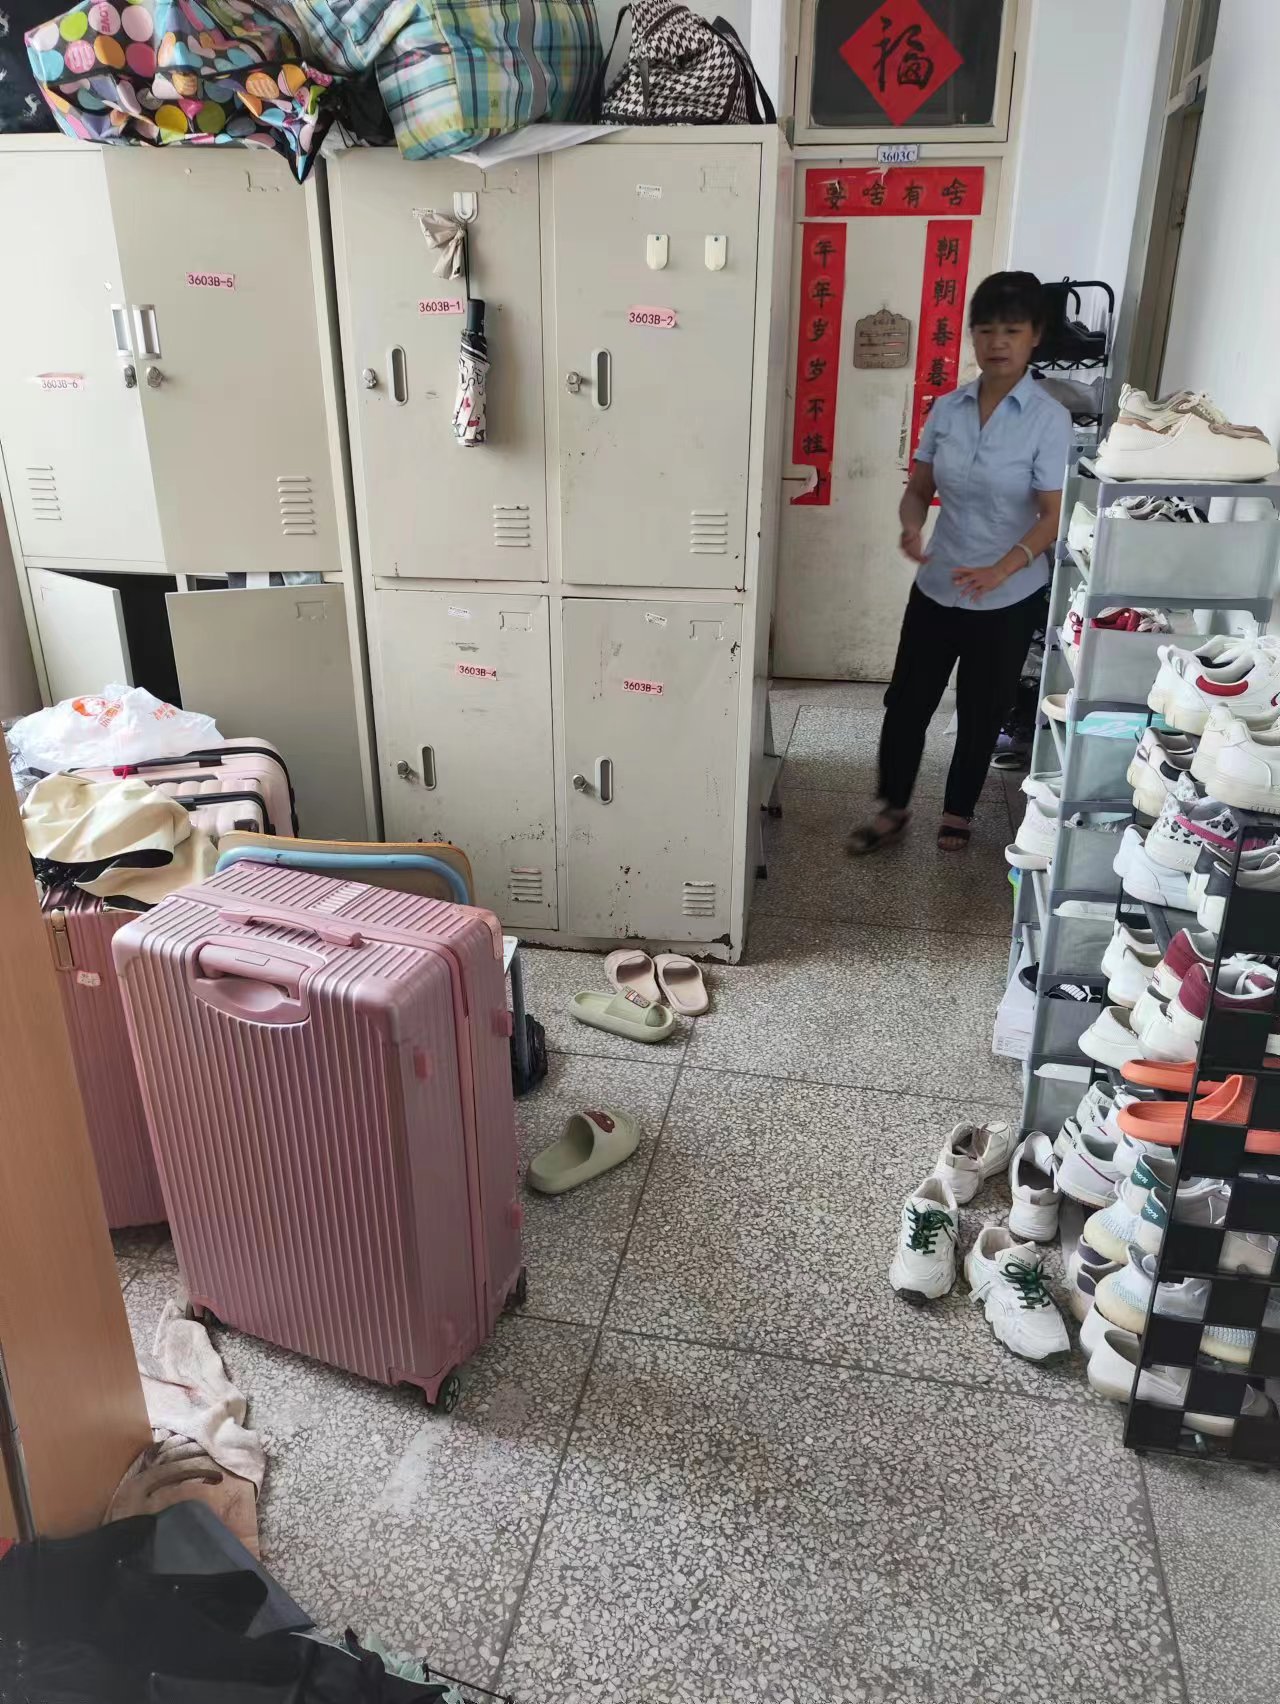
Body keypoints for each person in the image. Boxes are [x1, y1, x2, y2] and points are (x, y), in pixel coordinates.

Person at [849, 270, 1073, 855]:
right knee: (907, 702)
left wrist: (1003, 568)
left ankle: (958, 811)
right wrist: (910, 524)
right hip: (939, 582)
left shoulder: (1049, 419)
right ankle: (892, 808)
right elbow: (919, 488)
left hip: (1006, 594)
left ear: (1035, 336)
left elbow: (1052, 514)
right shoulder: (947, 409)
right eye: (986, 329)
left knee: (982, 709)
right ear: (972, 335)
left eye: (1012, 330)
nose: (997, 342)